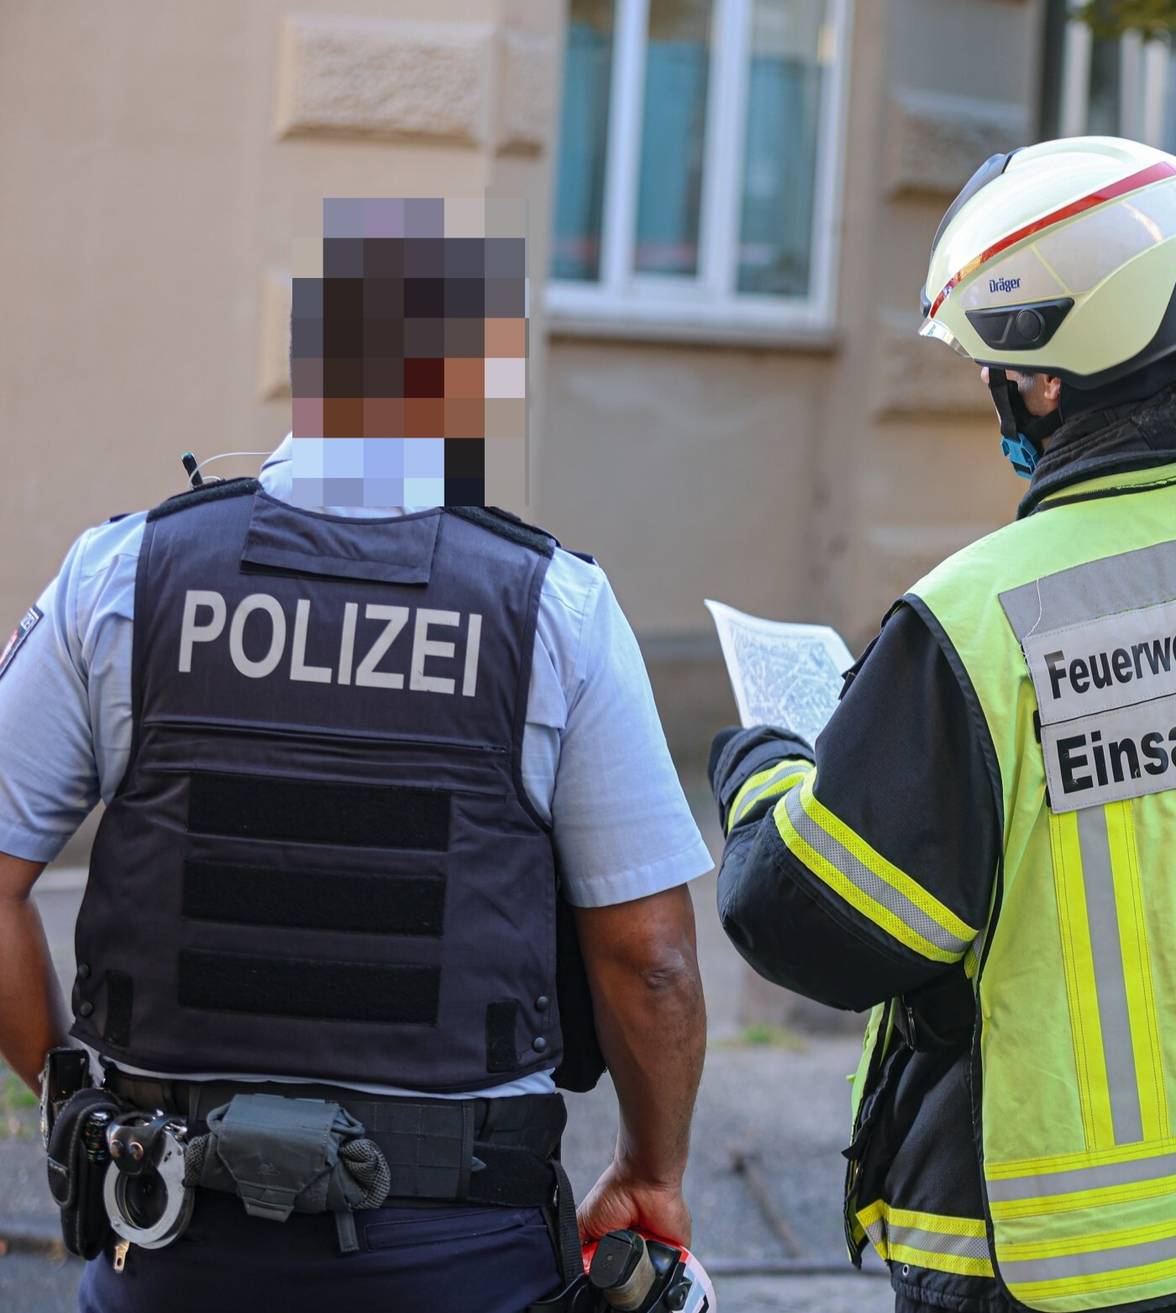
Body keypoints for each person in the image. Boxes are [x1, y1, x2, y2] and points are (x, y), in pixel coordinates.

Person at [710, 136, 1176, 1313]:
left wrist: (765, 772)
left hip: (1061, 1256)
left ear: (1047, 380)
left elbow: (822, 928)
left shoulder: (976, 616)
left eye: (994, 365)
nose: (993, 388)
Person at [0, 209, 710, 1312]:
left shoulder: (123, 575)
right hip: (459, 1250)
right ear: (468, 387)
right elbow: (648, 958)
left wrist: (72, 1097)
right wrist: (650, 1171)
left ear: (311, 367)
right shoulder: (552, 607)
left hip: (172, 1234)